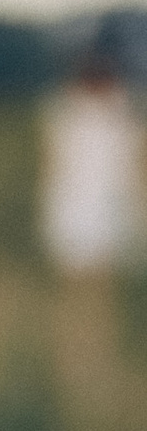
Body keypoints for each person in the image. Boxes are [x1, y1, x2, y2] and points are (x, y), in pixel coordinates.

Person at [39, 34, 142, 277]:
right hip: (94, 204)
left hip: (92, 203)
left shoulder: (67, 114)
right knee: (95, 278)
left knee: (83, 278)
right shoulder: (118, 115)